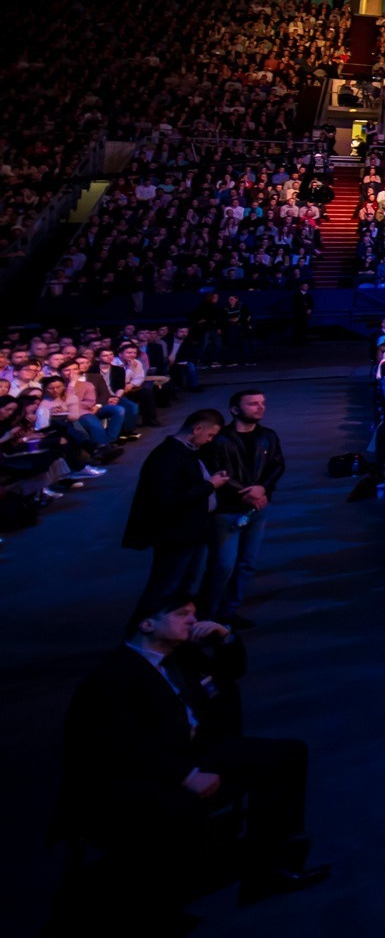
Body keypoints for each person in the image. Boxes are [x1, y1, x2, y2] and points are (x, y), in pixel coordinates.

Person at [58, 592, 330, 914]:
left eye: (193, 613)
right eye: (181, 614)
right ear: (147, 624)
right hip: (146, 772)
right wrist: (186, 776)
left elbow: (232, 672)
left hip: (195, 748)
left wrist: (226, 637)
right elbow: (121, 745)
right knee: (169, 814)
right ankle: (153, 900)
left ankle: (270, 869)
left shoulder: (179, 655)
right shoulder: (115, 677)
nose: (192, 620)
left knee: (288, 754)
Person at [124, 409, 231, 619]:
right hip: (176, 534)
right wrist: (209, 485)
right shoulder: (167, 456)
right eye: (209, 435)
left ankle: (174, 635)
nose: (209, 441)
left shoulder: (186, 452)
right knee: (165, 588)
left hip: (192, 531)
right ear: (197, 428)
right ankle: (140, 637)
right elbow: (167, 498)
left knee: (183, 587)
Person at [206, 387, 286, 627]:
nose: (260, 407)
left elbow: (277, 465)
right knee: (223, 564)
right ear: (234, 410)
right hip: (228, 508)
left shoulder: (268, 436)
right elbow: (218, 471)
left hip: (258, 506)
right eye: (253, 403)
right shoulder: (219, 439)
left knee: (246, 562)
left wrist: (261, 488)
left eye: (262, 403)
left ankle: (229, 610)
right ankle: (208, 613)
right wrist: (250, 492)